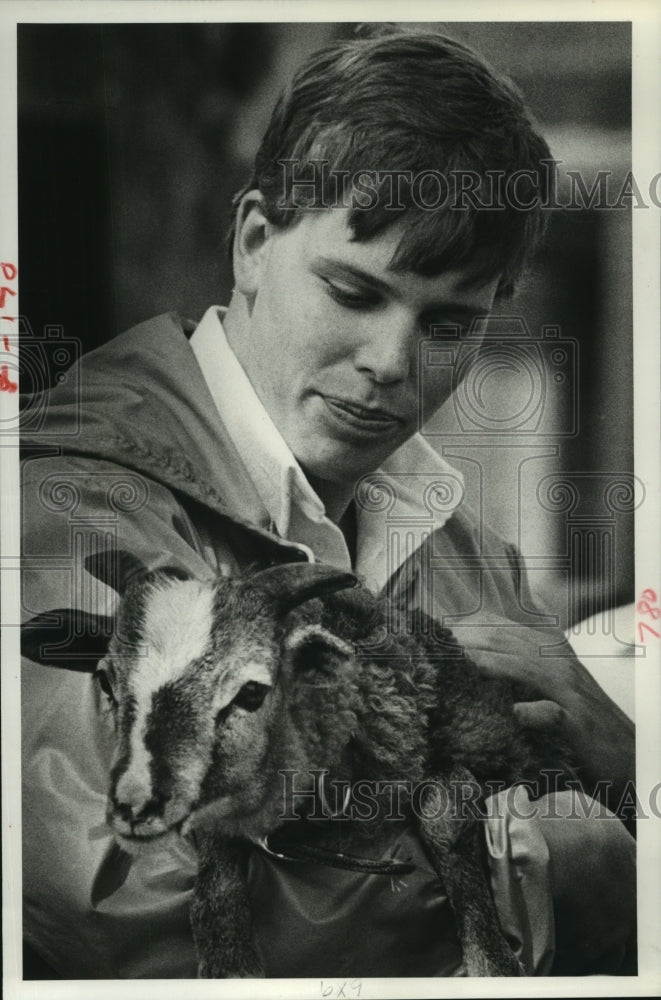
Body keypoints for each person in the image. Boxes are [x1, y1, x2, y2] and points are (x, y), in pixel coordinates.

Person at [20, 28, 635, 979]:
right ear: (254, 241)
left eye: (448, 322)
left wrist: (628, 764)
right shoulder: (55, 503)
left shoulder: (479, 564)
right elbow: (120, 899)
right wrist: (560, 842)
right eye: (352, 291)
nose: (391, 363)